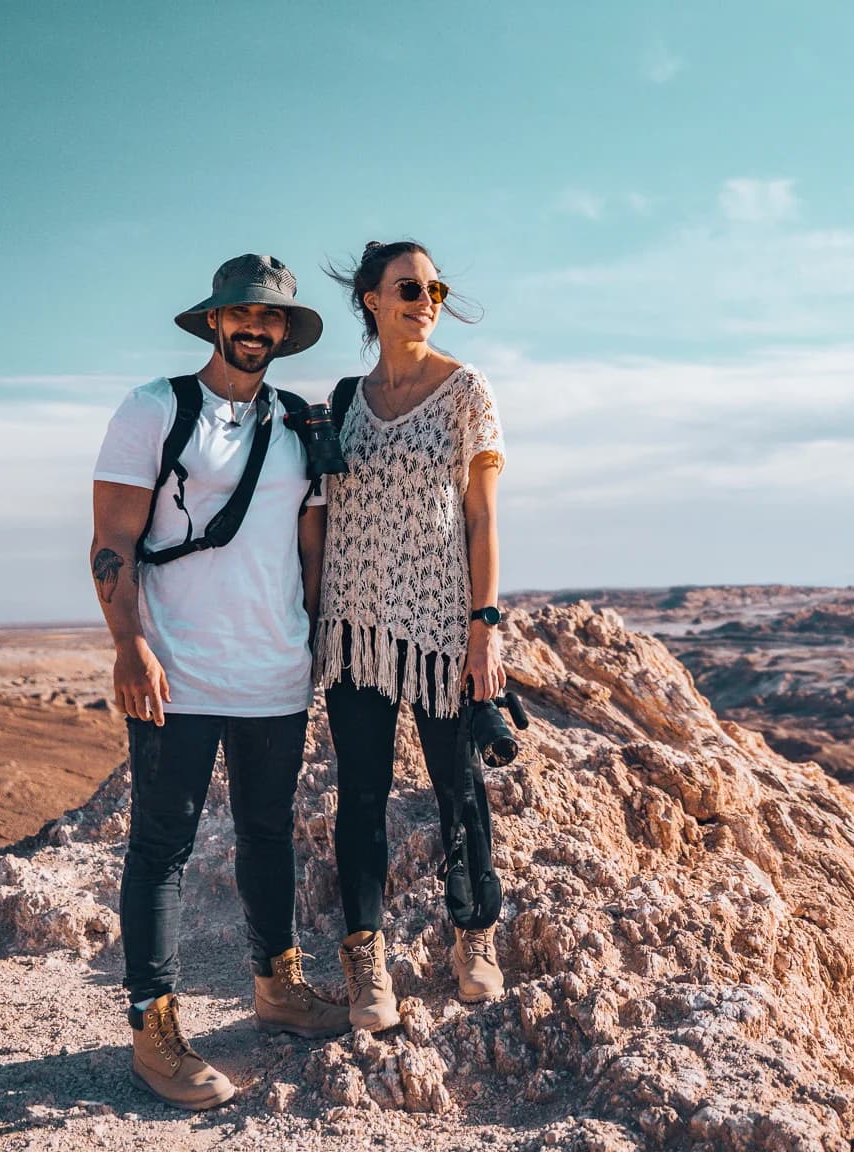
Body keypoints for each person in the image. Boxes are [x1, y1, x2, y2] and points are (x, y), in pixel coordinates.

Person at [88, 254, 348, 1110]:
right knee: (161, 848)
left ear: (284, 333)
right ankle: (152, 1030)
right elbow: (112, 542)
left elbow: (310, 550)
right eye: (243, 314)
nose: (257, 329)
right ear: (213, 320)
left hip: (274, 669)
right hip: (179, 670)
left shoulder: (299, 426)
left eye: (272, 320)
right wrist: (129, 644)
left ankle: (277, 986)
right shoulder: (154, 410)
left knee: (268, 833)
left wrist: (316, 639)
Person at [313, 240, 508, 1032]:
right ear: (370, 300)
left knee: (457, 787)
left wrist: (483, 627)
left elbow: (483, 516)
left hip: (438, 630)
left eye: (435, 287)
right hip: (355, 627)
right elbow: (322, 517)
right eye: (408, 286)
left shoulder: (466, 392)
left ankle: (474, 937)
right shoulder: (343, 400)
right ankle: (367, 962)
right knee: (359, 794)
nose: (425, 297)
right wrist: (306, 615)